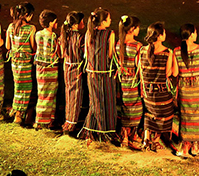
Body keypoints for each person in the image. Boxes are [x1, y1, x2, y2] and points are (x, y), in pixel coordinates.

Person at [172, 23, 199, 157]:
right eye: (195, 32)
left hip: (185, 88)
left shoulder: (177, 51)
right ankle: (196, 145)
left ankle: (185, 145)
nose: (196, 35)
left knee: (186, 116)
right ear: (191, 34)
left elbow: (175, 73)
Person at [80, 9, 117, 144]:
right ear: (103, 21)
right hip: (105, 72)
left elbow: (86, 53)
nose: (110, 20)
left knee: (95, 101)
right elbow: (110, 55)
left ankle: (92, 130)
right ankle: (106, 131)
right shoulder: (109, 34)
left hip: (92, 73)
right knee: (107, 101)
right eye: (109, 18)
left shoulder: (88, 33)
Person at [138, 22, 175, 152]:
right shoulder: (167, 52)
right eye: (164, 32)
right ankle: (155, 141)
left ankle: (146, 139)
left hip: (147, 93)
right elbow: (168, 73)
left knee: (148, 113)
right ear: (159, 36)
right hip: (161, 93)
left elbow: (140, 70)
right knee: (166, 113)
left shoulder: (142, 50)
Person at [5, 3, 36, 125]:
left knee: (17, 86)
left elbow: (8, 46)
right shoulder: (31, 28)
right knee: (25, 88)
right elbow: (33, 46)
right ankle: (19, 114)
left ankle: (15, 109)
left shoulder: (11, 27)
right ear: (27, 15)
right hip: (25, 62)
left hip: (14, 62)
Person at [116, 15, 143, 150]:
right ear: (132, 29)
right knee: (136, 107)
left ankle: (125, 135)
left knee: (125, 106)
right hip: (133, 81)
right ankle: (131, 134)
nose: (139, 30)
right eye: (137, 28)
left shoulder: (118, 44)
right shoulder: (137, 46)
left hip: (122, 81)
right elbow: (139, 67)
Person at [34, 10, 60, 130]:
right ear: (51, 23)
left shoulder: (38, 34)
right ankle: (46, 119)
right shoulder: (53, 36)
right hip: (50, 67)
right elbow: (56, 51)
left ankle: (41, 118)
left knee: (41, 92)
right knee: (50, 93)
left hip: (39, 67)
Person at [61, 11, 85, 134]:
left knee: (68, 94)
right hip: (76, 68)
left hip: (67, 67)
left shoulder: (64, 36)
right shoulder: (80, 38)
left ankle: (68, 120)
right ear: (76, 24)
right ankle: (71, 123)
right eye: (82, 21)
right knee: (75, 96)